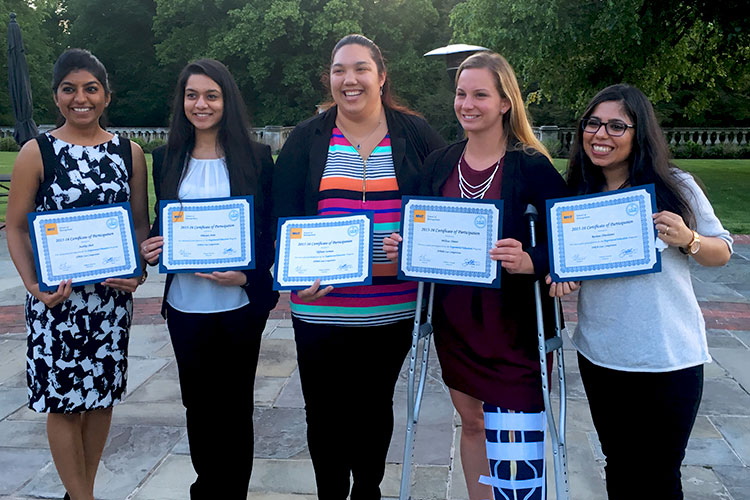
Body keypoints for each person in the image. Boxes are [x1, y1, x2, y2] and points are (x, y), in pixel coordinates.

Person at [384, 51, 568, 500]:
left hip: (515, 330)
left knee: (515, 437)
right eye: (461, 94)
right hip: (458, 324)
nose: (467, 103)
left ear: (505, 102)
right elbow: (422, 227)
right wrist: (409, 248)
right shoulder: (440, 164)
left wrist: (533, 260)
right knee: (473, 424)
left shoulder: (531, 166)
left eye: (480, 95)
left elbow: (567, 241)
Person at [273, 34, 445, 498]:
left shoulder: (414, 132)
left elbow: (442, 205)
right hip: (320, 309)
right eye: (339, 70)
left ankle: (367, 490)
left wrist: (418, 243)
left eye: (360, 69)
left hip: (392, 310)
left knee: (373, 407)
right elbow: (280, 216)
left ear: (381, 76)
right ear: (329, 78)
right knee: (324, 412)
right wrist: (288, 275)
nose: (349, 79)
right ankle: (331, 492)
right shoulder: (307, 138)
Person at [547, 83, 733, 499]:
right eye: (592, 123)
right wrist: (563, 276)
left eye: (617, 126)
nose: (601, 134)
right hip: (603, 355)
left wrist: (689, 239)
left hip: (669, 358)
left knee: (661, 474)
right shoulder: (576, 193)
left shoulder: (676, 186)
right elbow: (569, 267)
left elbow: (721, 252)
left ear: (638, 133)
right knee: (620, 465)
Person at [5, 49, 149, 500]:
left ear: (107, 95)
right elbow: (14, 226)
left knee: (100, 398)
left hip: (108, 303)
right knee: (63, 403)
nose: (80, 98)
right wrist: (32, 285)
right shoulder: (37, 152)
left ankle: (78, 493)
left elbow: (140, 224)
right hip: (57, 303)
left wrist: (138, 272)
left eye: (91, 88)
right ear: (56, 96)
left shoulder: (130, 152)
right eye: (69, 89)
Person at [139, 59, 278, 499]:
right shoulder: (165, 158)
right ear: (181, 102)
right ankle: (207, 488)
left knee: (235, 408)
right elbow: (162, 227)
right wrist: (152, 246)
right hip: (185, 305)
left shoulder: (255, 157)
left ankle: (232, 491)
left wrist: (246, 275)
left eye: (211, 95)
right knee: (197, 406)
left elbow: (271, 232)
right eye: (192, 95)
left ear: (227, 100)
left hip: (238, 306)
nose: (201, 104)